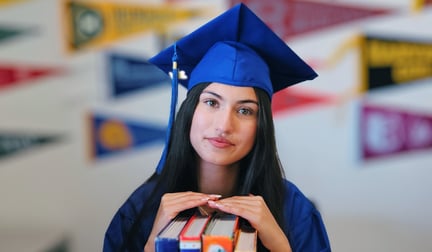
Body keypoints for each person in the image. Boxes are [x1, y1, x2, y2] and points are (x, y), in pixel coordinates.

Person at [104, 3, 331, 252]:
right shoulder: (141, 210)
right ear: (189, 111)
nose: (224, 125)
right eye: (212, 102)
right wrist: (152, 244)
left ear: (262, 125)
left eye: (245, 110)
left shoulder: (294, 211)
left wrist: (277, 243)